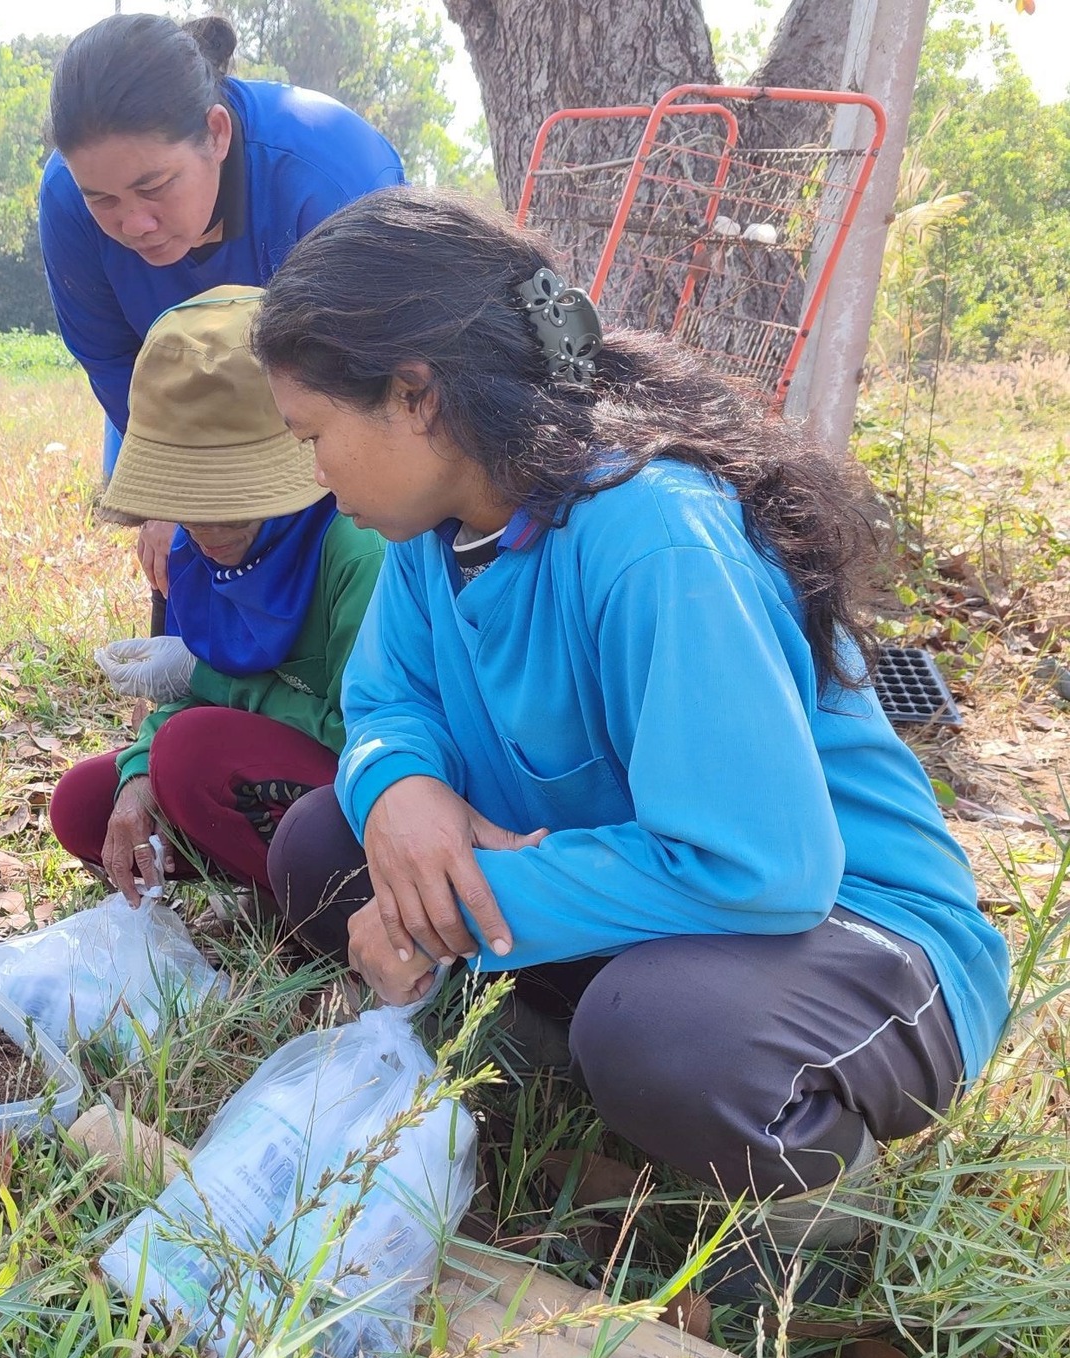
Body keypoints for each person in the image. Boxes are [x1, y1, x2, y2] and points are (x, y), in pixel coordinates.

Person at [253, 188, 1011, 1280]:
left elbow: (759, 868)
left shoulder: (650, 533)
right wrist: (401, 787)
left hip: (853, 936)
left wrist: (468, 901)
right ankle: (560, 1079)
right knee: (327, 847)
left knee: (662, 1033)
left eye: (313, 435)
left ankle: (816, 1219)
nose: (314, 473)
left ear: (415, 395)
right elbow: (386, 703)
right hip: (643, 895)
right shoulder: (428, 538)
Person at [38, 13, 403, 627]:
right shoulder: (68, 199)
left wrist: (281, 497)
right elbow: (111, 361)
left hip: (338, 409)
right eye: (104, 200)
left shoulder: (332, 180)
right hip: (187, 414)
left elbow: (374, 389)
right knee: (189, 573)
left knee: (347, 568)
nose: (134, 223)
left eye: (155, 186)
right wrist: (175, 496)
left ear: (216, 133)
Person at [50, 288, 383, 906]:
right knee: (84, 804)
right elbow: (195, 703)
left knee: (189, 752)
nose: (206, 529)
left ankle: (316, 904)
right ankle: (262, 874)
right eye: (186, 502)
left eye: (230, 501)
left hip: (368, 790)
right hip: (263, 762)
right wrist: (138, 773)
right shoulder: (192, 552)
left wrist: (209, 680)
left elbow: (364, 735)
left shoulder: (357, 547)